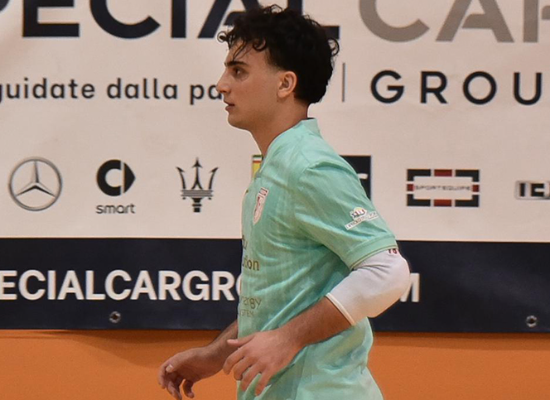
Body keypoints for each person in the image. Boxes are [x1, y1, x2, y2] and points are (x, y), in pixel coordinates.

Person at [158, 5, 410, 400]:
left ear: (285, 84)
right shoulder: (278, 167)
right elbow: (282, 302)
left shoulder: (309, 166)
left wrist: (288, 339)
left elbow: (388, 272)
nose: (222, 85)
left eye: (238, 71)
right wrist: (216, 355)